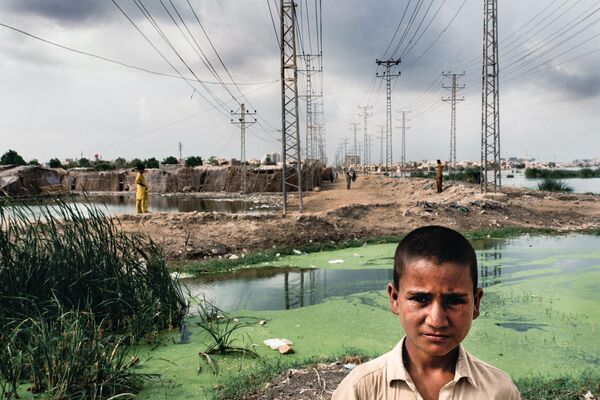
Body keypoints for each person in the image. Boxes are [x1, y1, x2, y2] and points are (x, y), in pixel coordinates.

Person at [332, 226, 521, 400]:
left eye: (454, 301)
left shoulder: (499, 391)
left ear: (476, 303)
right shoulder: (361, 390)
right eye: (420, 299)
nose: (437, 320)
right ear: (395, 299)